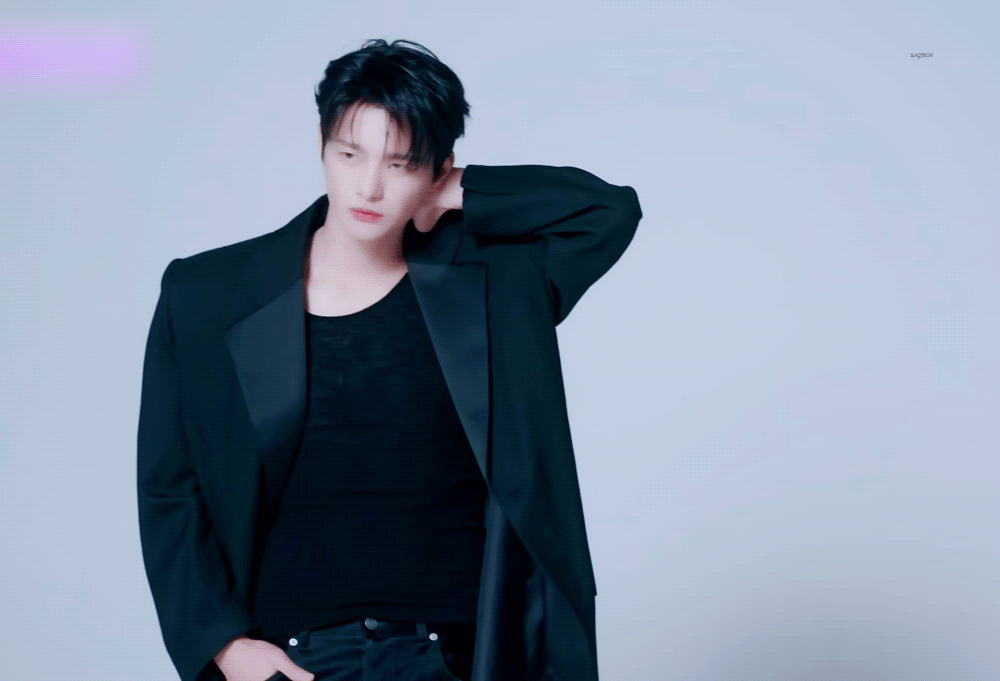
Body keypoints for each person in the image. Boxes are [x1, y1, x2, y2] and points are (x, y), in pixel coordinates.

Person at [137, 38, 642, 681]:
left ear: (439, 169)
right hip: (294, 658)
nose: (369, 186)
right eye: (350, 155)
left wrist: (461, 191)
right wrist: (227, 646)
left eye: (400, 164)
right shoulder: (205, 294)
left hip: (455, 657)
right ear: (322, 146)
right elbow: (169, 489)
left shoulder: (491, 285)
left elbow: (608, 212)